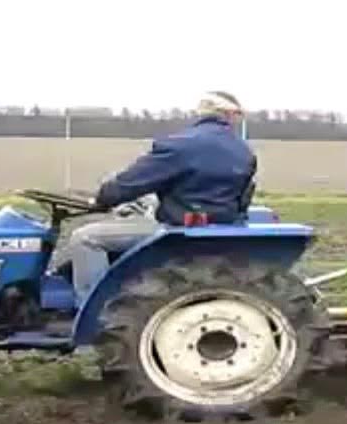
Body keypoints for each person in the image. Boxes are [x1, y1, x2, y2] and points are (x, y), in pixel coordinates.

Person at [60, 90, 258, 301]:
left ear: (202, 113)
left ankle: (93, 308)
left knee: (85, 238)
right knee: (140, 210)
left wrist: (103, 198)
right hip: (219, 221)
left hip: (179, 227)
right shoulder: (244, 150)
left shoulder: (181, 144)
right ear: (230, 117)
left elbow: (132, 181)